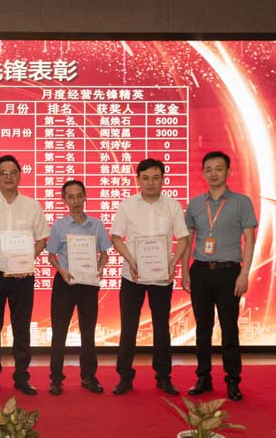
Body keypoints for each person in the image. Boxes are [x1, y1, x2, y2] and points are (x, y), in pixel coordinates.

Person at [0, 155, 49, 396]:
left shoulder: (32, 205)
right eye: (3, 172)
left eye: (13, 172)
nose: (8, 176)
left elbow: (42, 239)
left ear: (20, 176)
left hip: (22, 276)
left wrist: (26, 260)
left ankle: (22, 378)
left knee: (21, 329)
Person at [110, 158, 189, 396]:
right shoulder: (127, 205)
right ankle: (124, 376)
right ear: (138, 180)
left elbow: (183, 238)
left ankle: (163, 376)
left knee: (162, 327)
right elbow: (116, 237)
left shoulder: (172, 206)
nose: (150, 183)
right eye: (145, 178)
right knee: (129, 327)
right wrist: (131, 261)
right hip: (132, 276)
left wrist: (173, 264)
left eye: (155, 178)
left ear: (163, 180)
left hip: (162, 277)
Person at [182, 151, 257, 401]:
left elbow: (250, 240)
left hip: (229, 273)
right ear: (203, 173)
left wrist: (244, 274)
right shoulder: (195, 204)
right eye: (208, 169)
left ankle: (233, 380)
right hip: (201, 272)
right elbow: (188, 239)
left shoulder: (241, 202)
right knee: (202, 329)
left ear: (228, 172)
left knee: (229, 329)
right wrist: (185, 271)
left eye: (219, 168)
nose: (213, 173)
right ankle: (203, 377)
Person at [46, 180, 111, 395]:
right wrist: (62, 271)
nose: (75, 201)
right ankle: (56, 379)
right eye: (71, 197)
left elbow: (104, 254)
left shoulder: (97, 225)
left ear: (85, 197)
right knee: (59, 332)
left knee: (88, 332)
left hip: (88, 284)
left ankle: (88, 376)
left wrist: (100, 268)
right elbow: (51, 256)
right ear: (64, 200)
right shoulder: (59, 226)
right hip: (65, 283)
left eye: (79, 196)